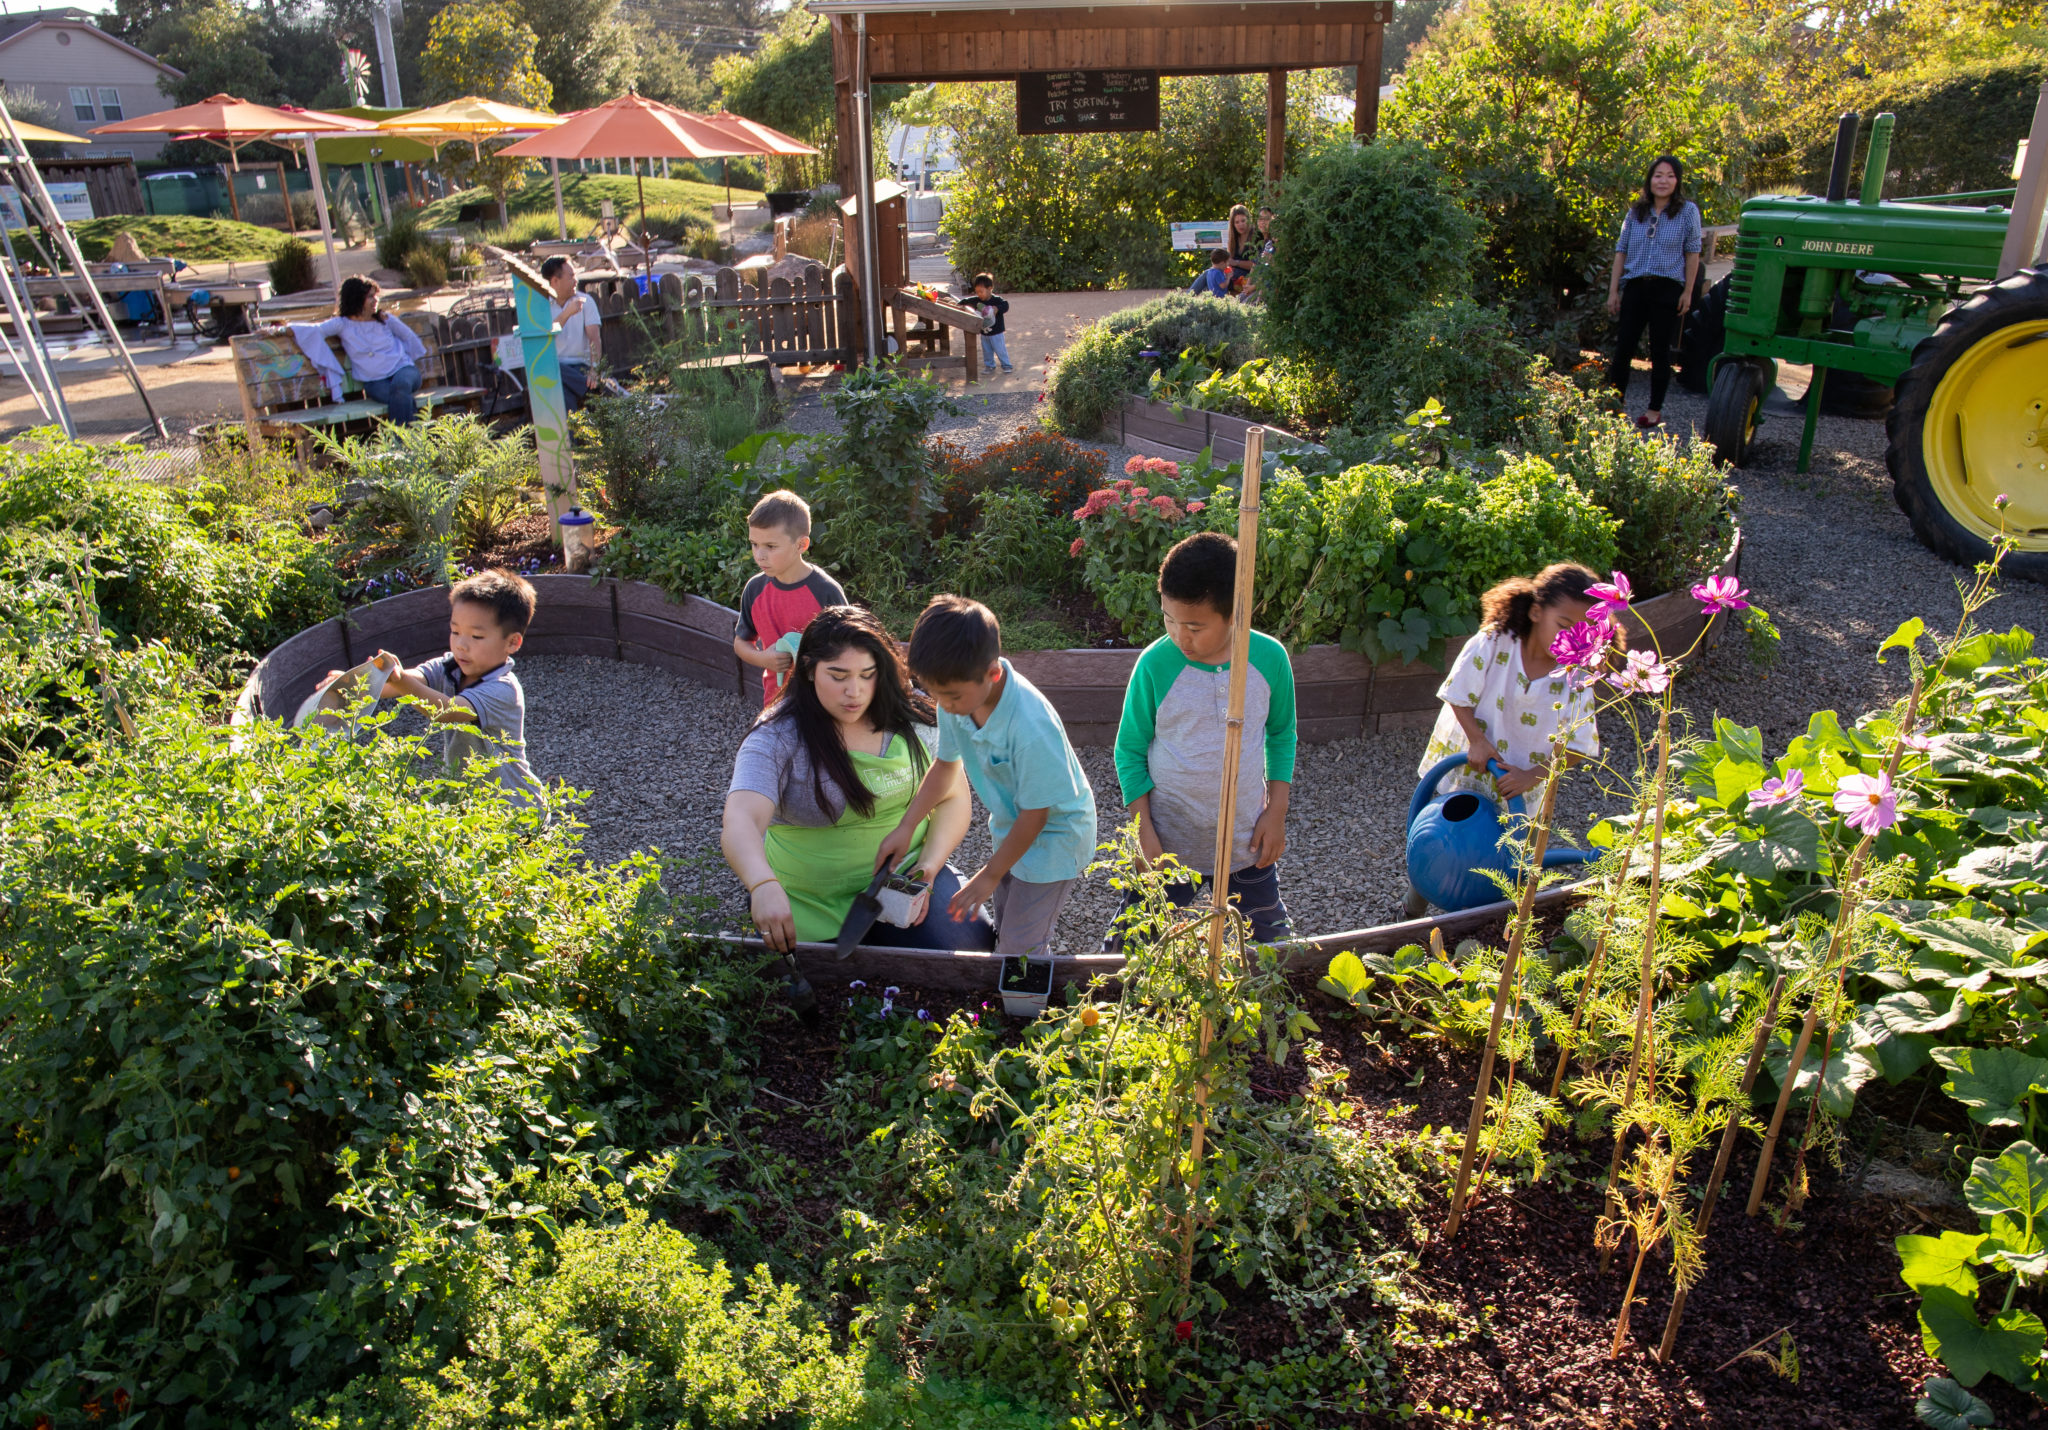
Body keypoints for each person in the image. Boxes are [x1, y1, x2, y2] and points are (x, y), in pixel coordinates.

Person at [722, 605, 993, 952]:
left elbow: (953, 798)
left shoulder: (914, 719)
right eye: (838, 676)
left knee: (973, 951)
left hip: (905, 880)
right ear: (808, 670)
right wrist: (761, 885)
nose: (856, 691)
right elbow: (741, 819)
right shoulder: (775, 738)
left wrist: (927, 868)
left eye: (867, 674)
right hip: (807, 899)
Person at [877, 596, 1097, 968]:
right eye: (934, 693)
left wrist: (989, 874)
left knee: (1021, 951)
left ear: (992, 673)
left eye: (950, 696)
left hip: (1056, 840)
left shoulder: (1030, 727)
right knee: (1010, 926)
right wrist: (906, 825)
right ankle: (1009, 992)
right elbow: (945, 767)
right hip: (1013, 829)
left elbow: (1037, 816)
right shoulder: (957, 697)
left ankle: (1031, 1015)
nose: (942, 705)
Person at [1107, 531, 1296, 949]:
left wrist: (1277, 809)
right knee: (1130, 952)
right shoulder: (1155, 665)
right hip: (1169, 844)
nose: (1179, 635)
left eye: (1194, 626)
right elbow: (1129, 749)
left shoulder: (1269, 659)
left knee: (1273, 953)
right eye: (1169, 619)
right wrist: (1143, 832)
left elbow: (1281, 733)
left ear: (1236, 613)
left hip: (1248, 840)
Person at [318, 569, 546, 810]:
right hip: (472, 804)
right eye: (455, 631)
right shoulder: (449, 666)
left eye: (476, 636)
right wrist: (355, 683)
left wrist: (400, 680)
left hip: (517, 809)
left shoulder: (504, 690)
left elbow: (445, 711)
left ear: (512, 642)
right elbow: (405, 682)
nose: (461, 645)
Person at [1416, 562, 1602, 814]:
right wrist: (1478, 740)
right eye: (1563, 625)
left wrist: (1531, 776)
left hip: (1519, 786)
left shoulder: (1577, 677)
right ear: (1536, 612)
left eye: (1583, 632)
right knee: (1449, 827)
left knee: (1511, 844)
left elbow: (1578, 746)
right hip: (1469, 763)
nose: (1572, 639)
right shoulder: (1495, 641)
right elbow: (1457, 693)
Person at [1605, 154, 1703, 430]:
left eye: (1670, 175)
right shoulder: (1636, 211)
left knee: (1659, 351)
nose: (1664, 181)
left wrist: (1687, 291)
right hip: (1636, 285)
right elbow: (1620, 252)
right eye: (1658, 175)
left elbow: (1693, 253)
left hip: (1668, 287)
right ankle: (1615, 404)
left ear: (1678, 180)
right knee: (1624, 347)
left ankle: (1654, 410)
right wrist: (1614, 291)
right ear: (1650, 179)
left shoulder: (1687, 212)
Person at [732, 490, 848, 707]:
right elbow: (741, 643)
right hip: (774, 701)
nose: (759, 555)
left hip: (823, 704)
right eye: (754, 544)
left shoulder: (826, 591)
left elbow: (849, 651)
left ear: (801, 545)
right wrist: (764, 659)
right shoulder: (754, 589)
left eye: (770, 546)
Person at [288, 277, 428, 425]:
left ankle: (401, 440)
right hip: (375, 382)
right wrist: (278, 330)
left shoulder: (385, 319)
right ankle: (415, 438)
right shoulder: (342, 324)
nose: (375, 300)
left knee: (400, 388)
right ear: (356, 298)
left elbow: (410, 338)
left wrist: (404, 357)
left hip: (403, 370)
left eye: (375, 296)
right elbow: (314, 331)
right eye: (370, 297)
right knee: (399, 397)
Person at [541, 255, 603, 411]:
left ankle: (586, 388)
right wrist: (566, 314)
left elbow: (594, 339)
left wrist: (594, 370)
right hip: (556, 368)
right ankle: (587, 390)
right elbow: (545, 338)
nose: (576, 280)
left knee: (564, 393)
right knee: (553, 370)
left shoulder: (586, 301)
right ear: (555, 281)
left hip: (580, 366)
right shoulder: (542, 306)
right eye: (571, 276)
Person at [970, 272, 1013, 374]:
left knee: (1000, 349)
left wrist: (997, 309)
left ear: (990, 289)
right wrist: (958, 303)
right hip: (984, 332)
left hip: (997, 332)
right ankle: (989, 366)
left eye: (981, 291)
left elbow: (1005, 305)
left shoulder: (997, 300)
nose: (979, 294)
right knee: (987, 350)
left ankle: (1006, 365)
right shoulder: (977, 300)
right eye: (977, 292)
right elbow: (968, 300)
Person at [1224, 203, 1257, 293]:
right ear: (1233, 224)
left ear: (1249, 220)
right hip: (1232, 273)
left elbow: (1256, 264)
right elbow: (1229, 261)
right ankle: (1189, 297)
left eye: (1243, 221)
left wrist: (1236, 263)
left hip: (1248, 275)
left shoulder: (1256, 237)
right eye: (1237, 222)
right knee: (1210, 273)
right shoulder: (1234, 238)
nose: (1240, 225)